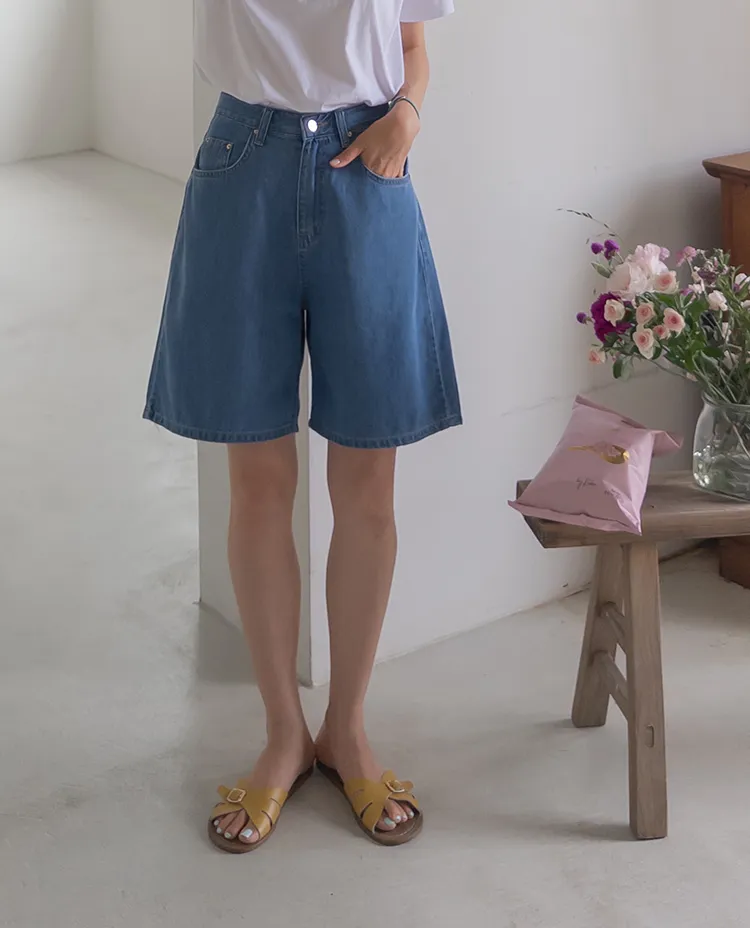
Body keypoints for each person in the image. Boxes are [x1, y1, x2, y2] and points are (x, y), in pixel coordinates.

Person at [144, 0, 461, 852]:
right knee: (257, 484)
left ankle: (346, 730)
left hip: (371, 162)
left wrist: (408, 114)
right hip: (242, 161)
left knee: (368, 483)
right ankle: (284, 733)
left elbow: (412, 44)